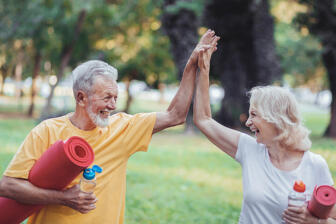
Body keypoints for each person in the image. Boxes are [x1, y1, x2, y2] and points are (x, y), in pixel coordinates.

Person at [0, 30, 219, 224]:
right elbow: (8, 186)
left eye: (115, 97)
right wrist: (64, 199)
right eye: (106, 98)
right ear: (81, 98)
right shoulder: (47, 131)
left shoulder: (123, 128)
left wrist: (191, 65)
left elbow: (176, 115)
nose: (113, 105)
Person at [193, 39, 336, 223]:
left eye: (254, 115)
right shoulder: (248, 149)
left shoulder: (315, 165)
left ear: (275, 118)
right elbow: (203, 120)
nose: (248, 122)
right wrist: (203, 70)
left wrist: (315, 222)